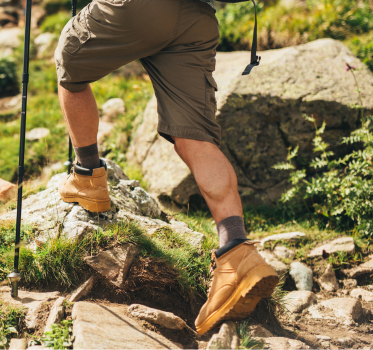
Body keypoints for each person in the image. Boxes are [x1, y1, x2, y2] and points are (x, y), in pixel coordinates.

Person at [54, 0, 279, 335]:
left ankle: (88, 177)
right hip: (194, 18)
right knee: (195, 138)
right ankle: (236, 251)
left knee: (69, 61)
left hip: (139, 7)